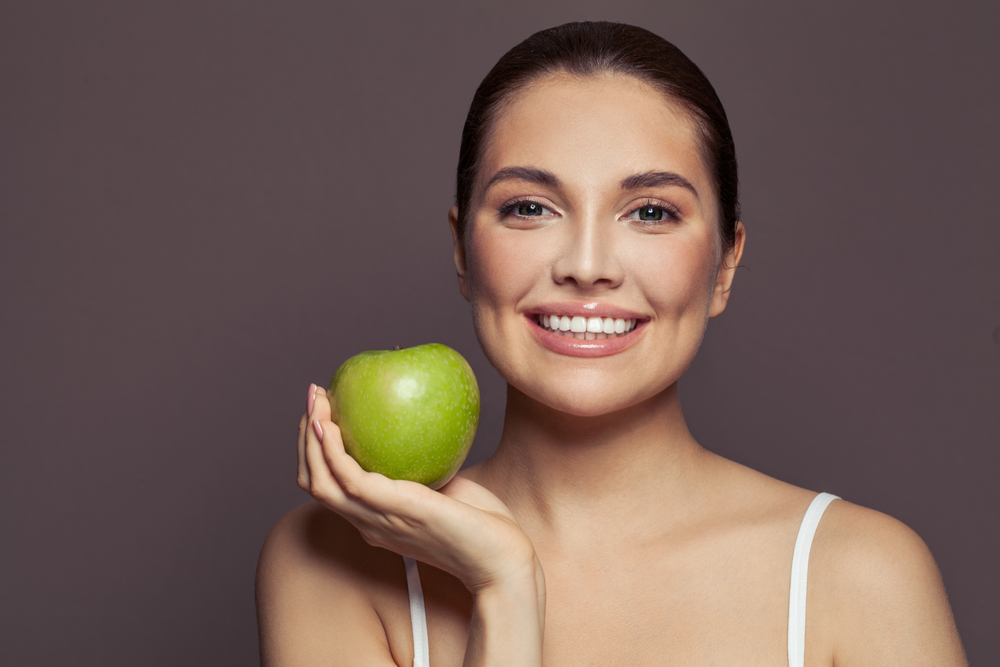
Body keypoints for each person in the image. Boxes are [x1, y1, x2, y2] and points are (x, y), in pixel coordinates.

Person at [255, 22, 967, 666]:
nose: (587, 262)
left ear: (724, 266)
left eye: (651, 211)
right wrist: (504, 587)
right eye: (530, 208)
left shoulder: (862, 575)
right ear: (463, 251)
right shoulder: (329, 563)